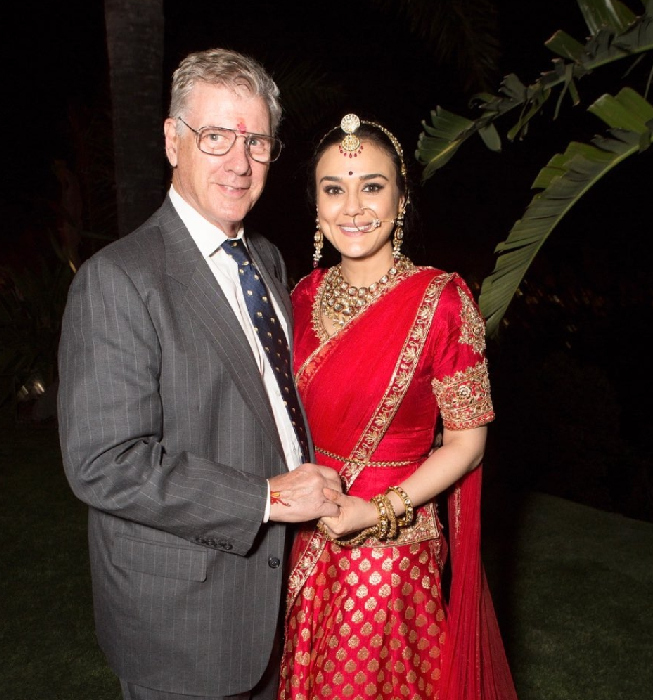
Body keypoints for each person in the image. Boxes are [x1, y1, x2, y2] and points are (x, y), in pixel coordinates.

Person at [57, 48, 342, 700]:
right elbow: (104, 463)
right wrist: (268, 500)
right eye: (215, 136)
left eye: (256, 142)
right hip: (183, 621)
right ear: (172, 140)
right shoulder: (117, 279)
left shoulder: (265, 259)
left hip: (275, 594)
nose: (239, 163)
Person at [278, 114, 518, 700]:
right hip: (308, 537)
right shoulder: (302, 296)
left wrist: (377, 511)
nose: (352, 207)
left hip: (391, 550)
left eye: (372, 186)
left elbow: (467, 443)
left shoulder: (443, 301)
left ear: (401, 199)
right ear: (316, 204)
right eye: (333, 189)